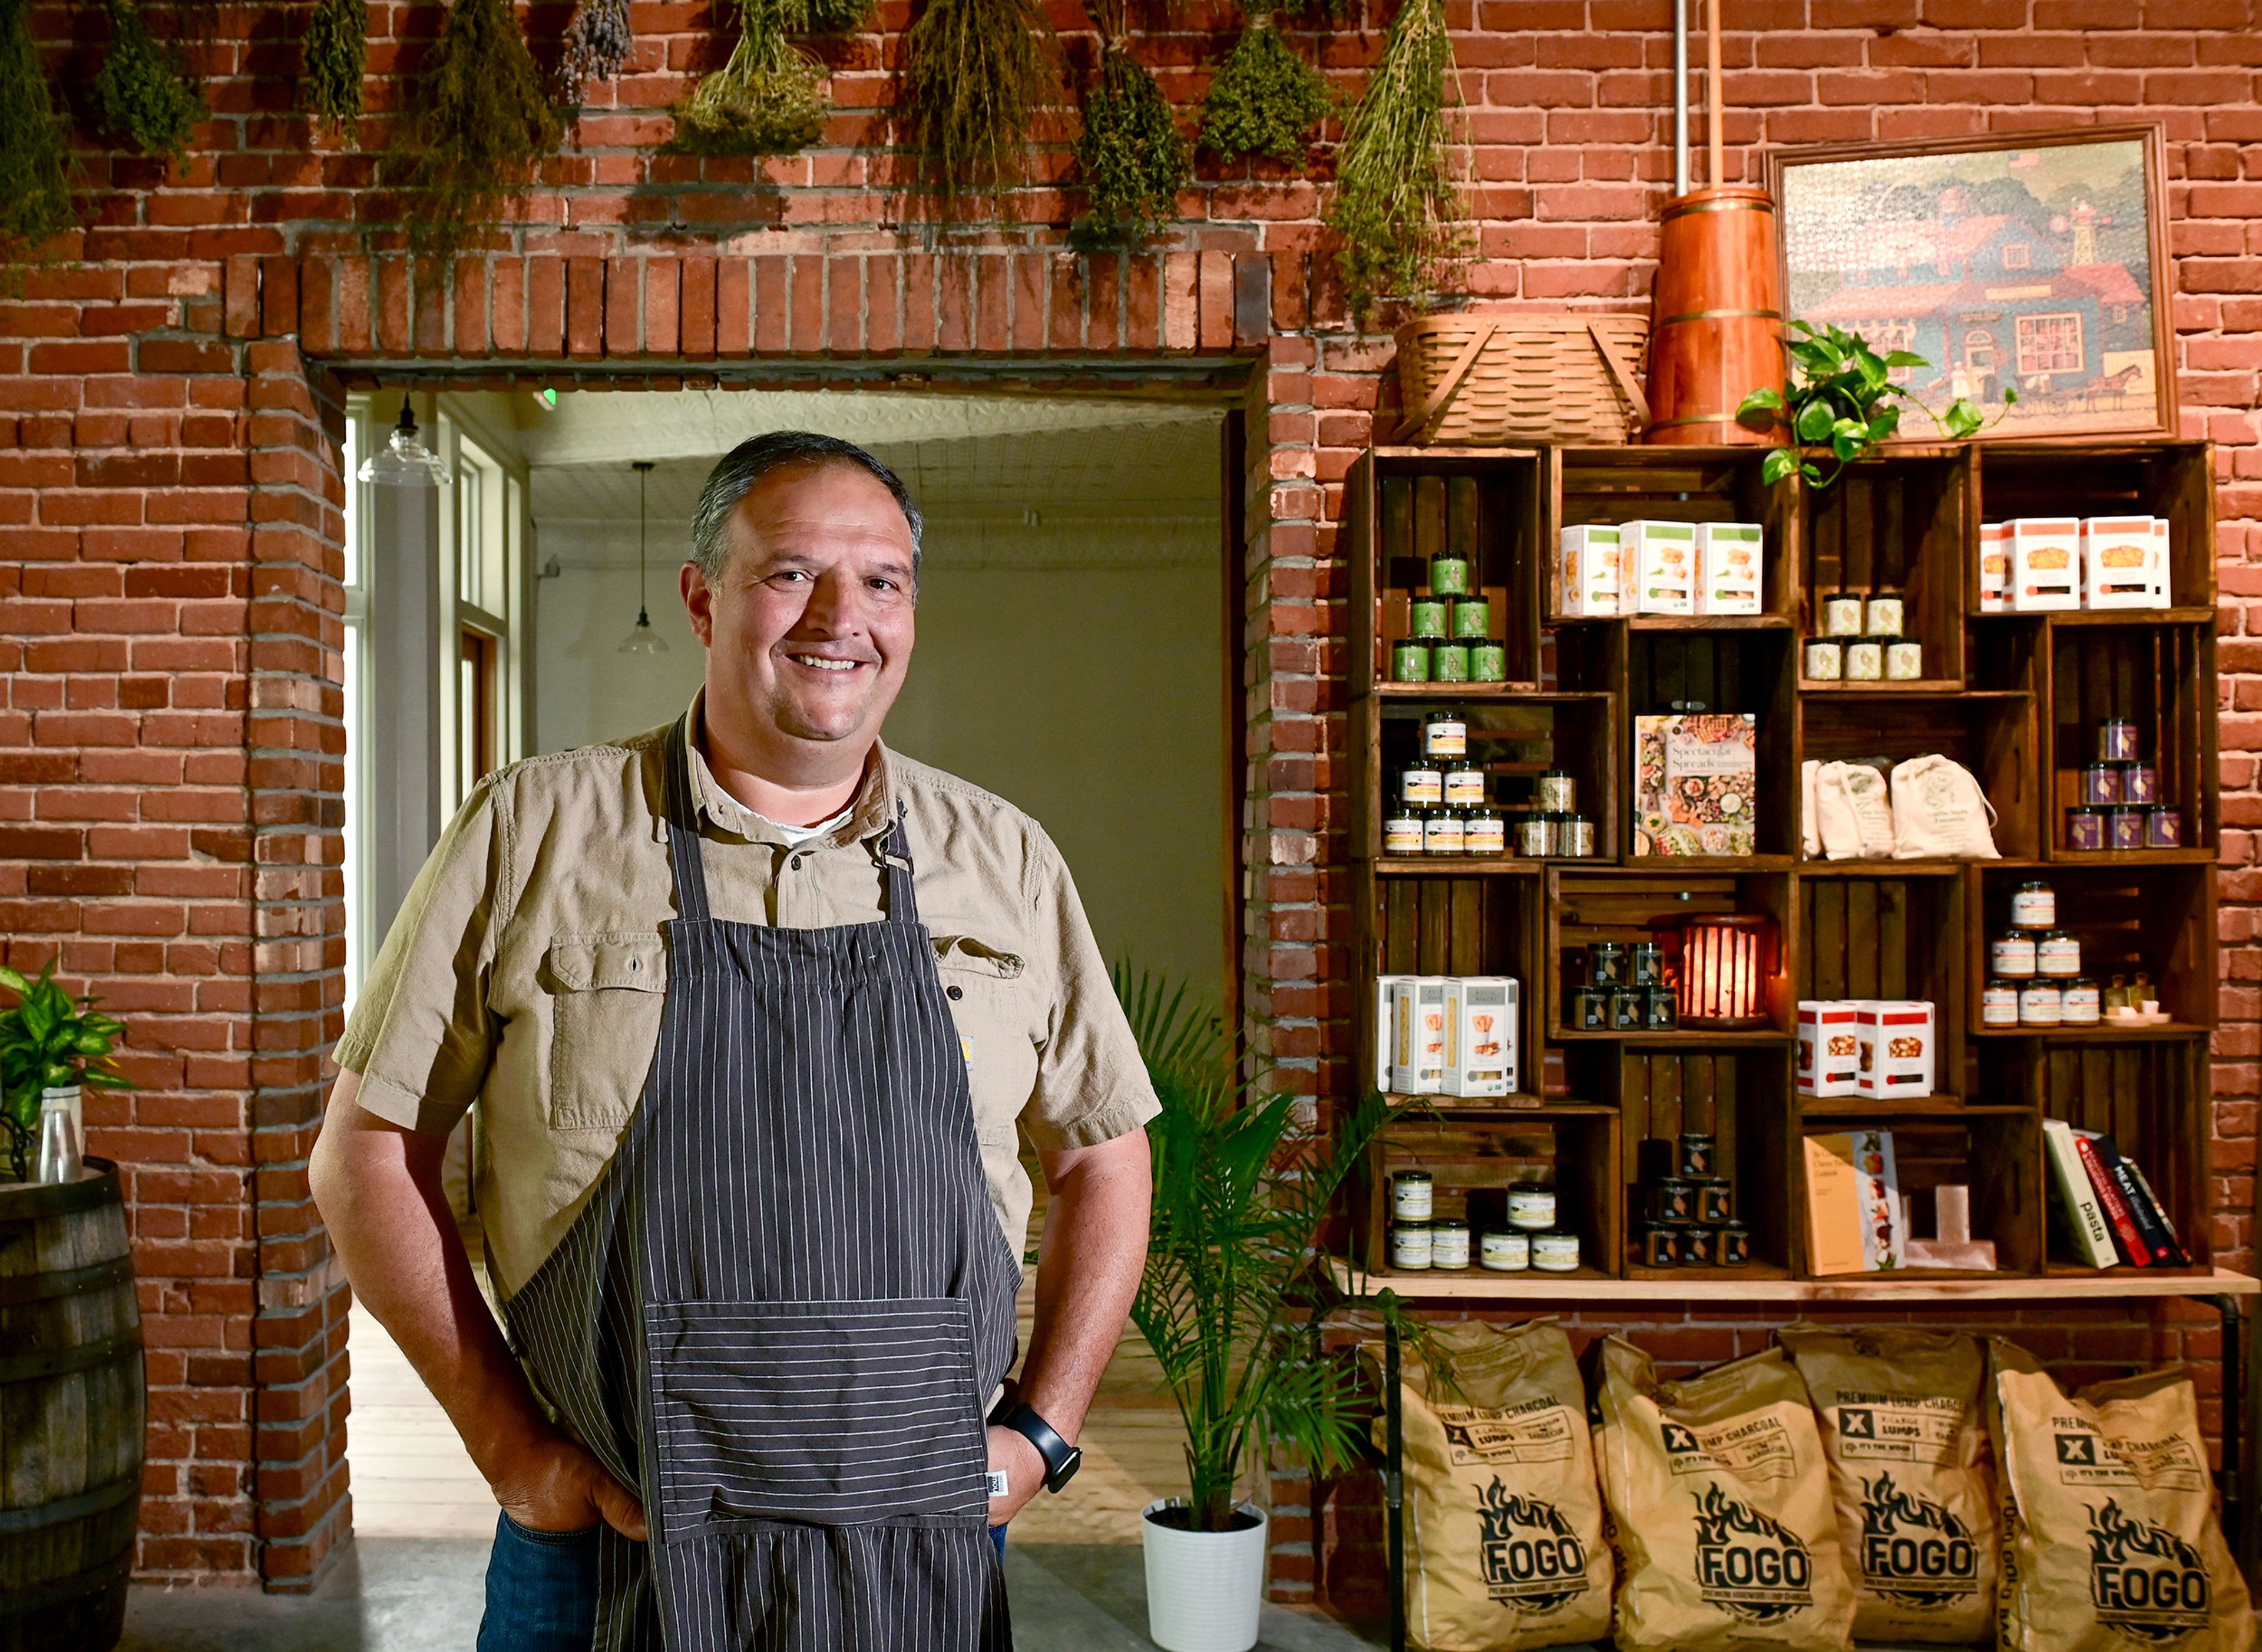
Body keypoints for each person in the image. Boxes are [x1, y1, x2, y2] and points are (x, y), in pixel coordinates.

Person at [310, 431, 1158, 1651]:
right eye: (790, 572)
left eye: (882, 579)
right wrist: (516, 1455)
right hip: (602, 1543)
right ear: (702, 597)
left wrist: (1040, 1432)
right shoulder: (536, 832)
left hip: (920, 1546)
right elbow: (365, 1155)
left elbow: (1104, 1158)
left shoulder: (1005, 860)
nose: (841, 616)